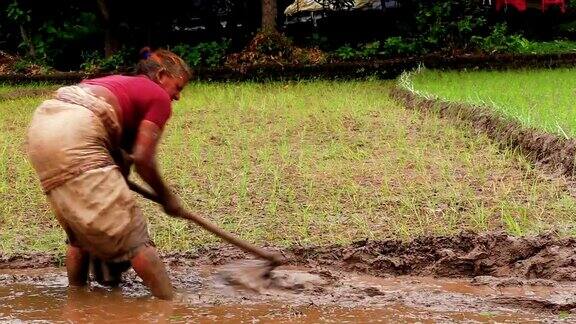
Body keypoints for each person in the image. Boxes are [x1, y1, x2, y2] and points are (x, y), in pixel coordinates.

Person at [26, 48, 191, 300]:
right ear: (161, 75)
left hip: (43, 128)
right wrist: (168, 198)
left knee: (79, 234)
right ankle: (171, 307)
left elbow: (120, 162)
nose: (177, 97)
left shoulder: (114, 84)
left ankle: (77, 301)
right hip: (81, 131)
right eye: (178, 87)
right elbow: (144, 160)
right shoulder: (156, 95)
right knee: (135, 238)